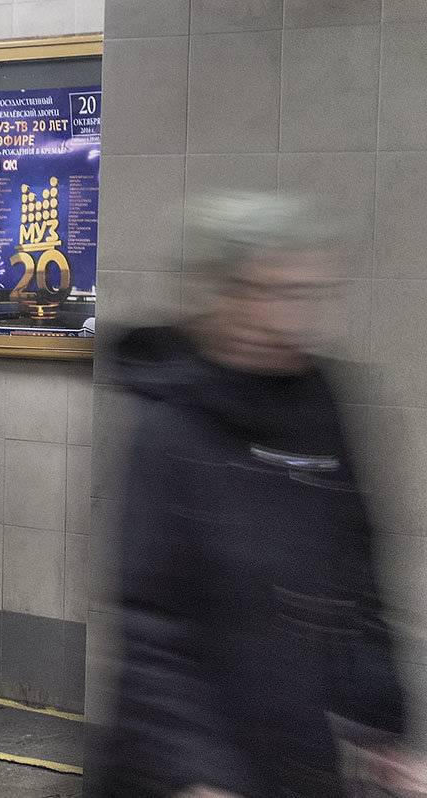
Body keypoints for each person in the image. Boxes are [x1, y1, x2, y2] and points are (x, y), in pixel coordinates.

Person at [87, 192, 427, 797]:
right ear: (218, 296)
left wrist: (382, 730)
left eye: (307, 294)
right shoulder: (168, 423)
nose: (291, 318)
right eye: (270, 292)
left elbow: (358, 582)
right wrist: (196, 775)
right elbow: (151, 626)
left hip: (295, 759)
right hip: (182, 767)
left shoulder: (323, 405)